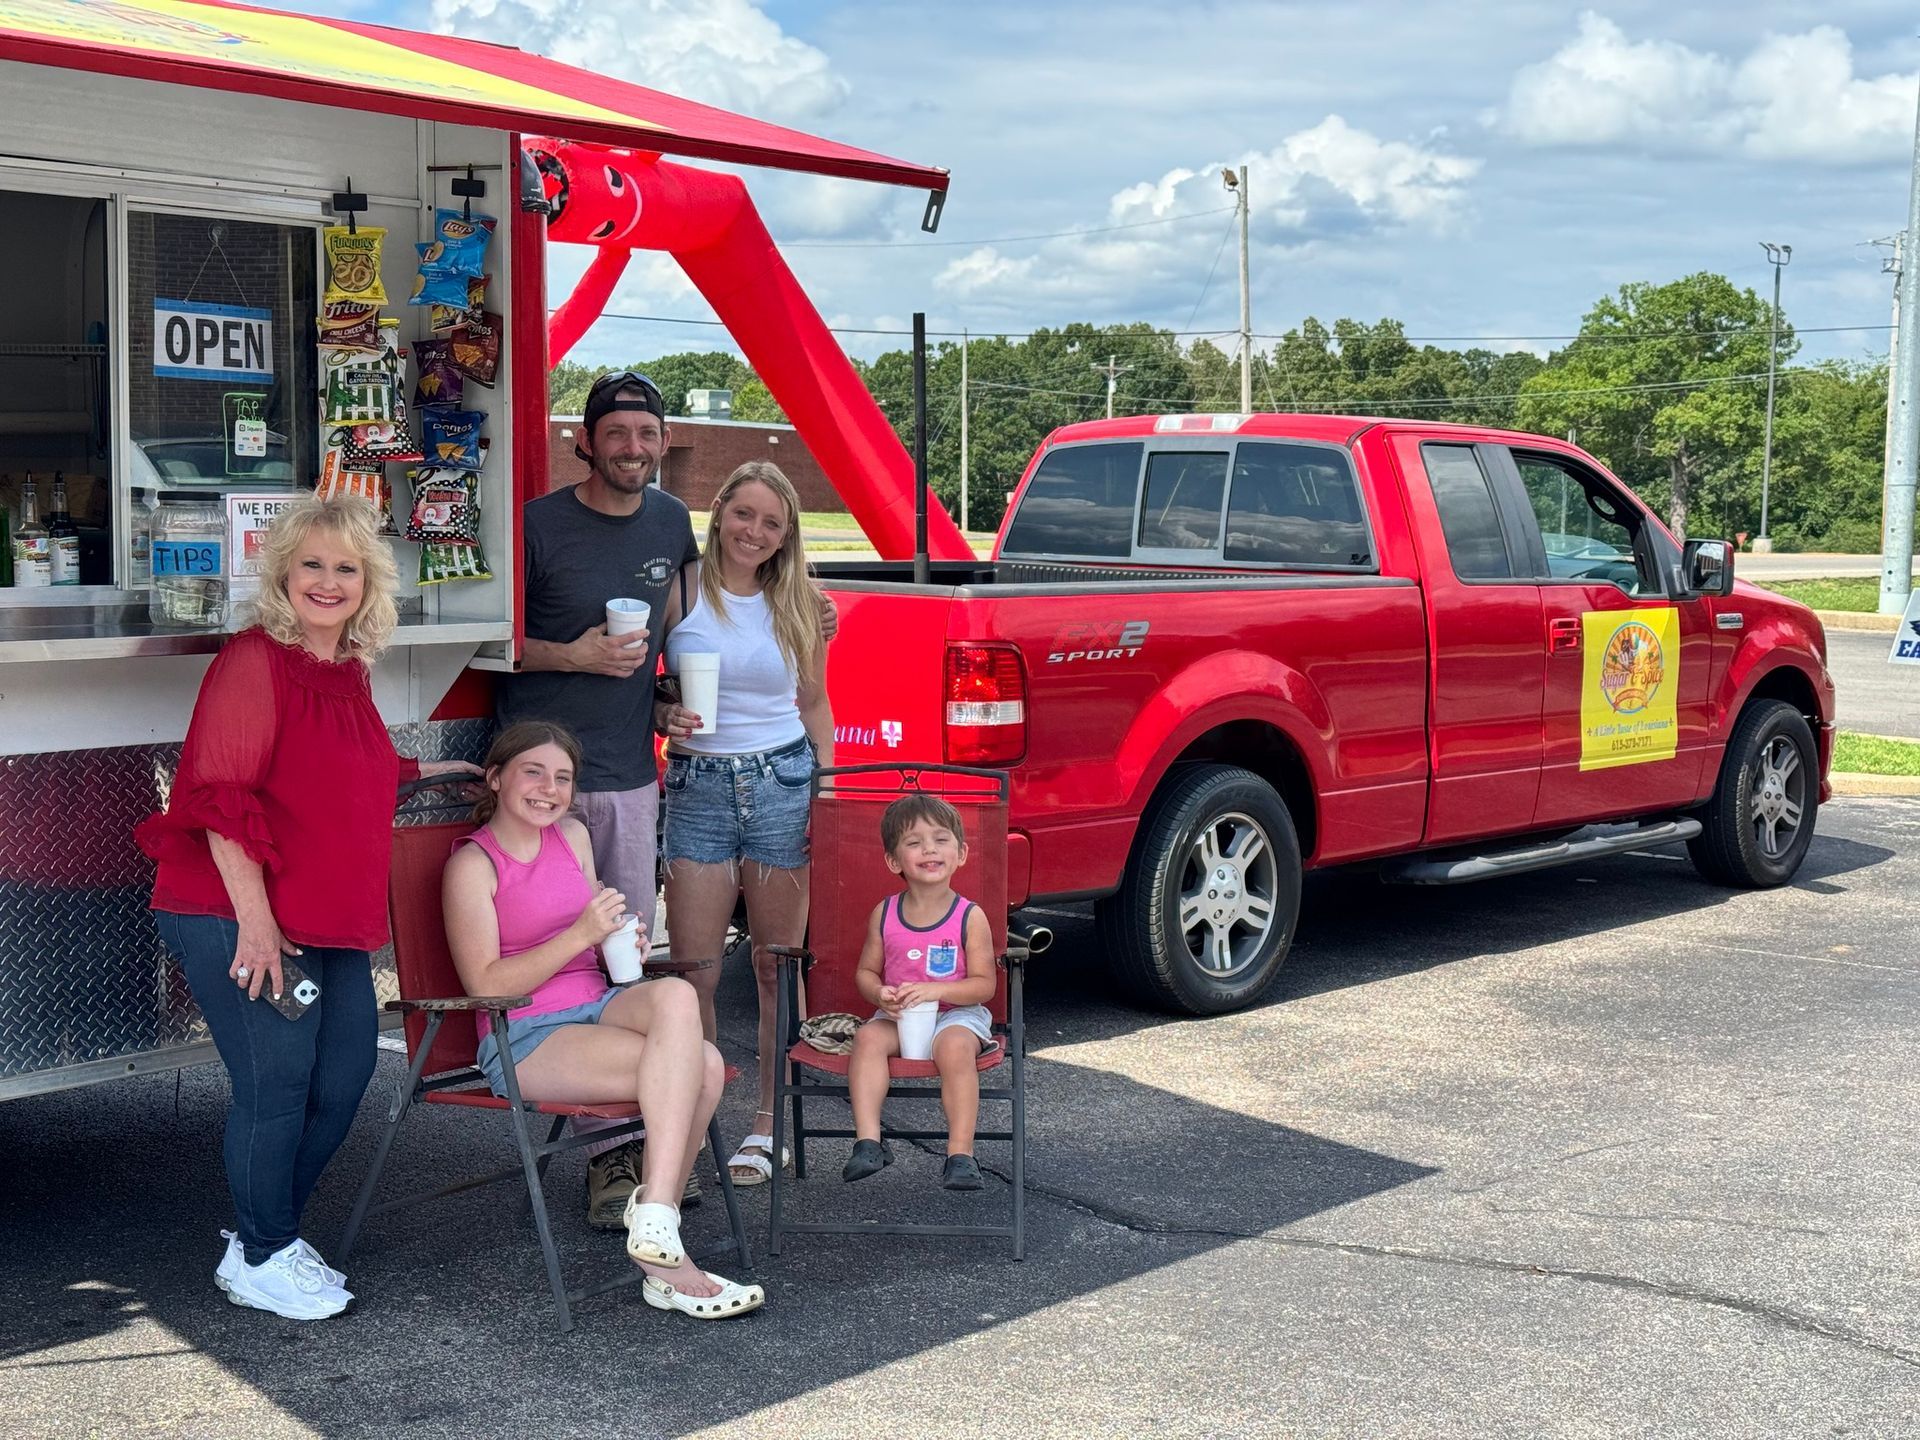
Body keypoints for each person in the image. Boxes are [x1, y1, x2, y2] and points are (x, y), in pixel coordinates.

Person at [502, 372, 835, 1225]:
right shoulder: (538, 525)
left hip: (649, 780)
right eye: (620, 433)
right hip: (556, 779)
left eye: (650, 434)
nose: (636, 448)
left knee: (700, 964)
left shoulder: (668, 531)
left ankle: (686, 1141)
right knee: (654, 969)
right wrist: (579, 661)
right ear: (588, 437)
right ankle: (652, 1133)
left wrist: (662, 706)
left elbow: (679, 678)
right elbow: (485, 640)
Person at [135, 495, 479, 1321]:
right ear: (284, 573)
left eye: (346, 568)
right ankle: (262, 1250)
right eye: (312, 565)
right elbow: (221, 798)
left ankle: (265, 1235)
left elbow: (349, 772)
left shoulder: (347, 667)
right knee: (278, 1086)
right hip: (238, 912)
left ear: (369, 583)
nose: (328, 582)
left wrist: (449, 775)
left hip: (322, 920)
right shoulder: (255, 659)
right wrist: (256, 923)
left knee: (346, 1074)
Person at [442, 722, 762, 1320]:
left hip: (595, 1001)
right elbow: (485, 985)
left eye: (562, 777)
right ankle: (664, 1260)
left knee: (674, 997)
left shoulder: (572, 837)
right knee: (706, 1066)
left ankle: (656, 1213)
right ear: (496, 778)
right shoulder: (473, 867)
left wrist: (620, 942)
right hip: (527, 1034)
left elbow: (596, 950)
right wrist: (580, 935)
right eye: (532, 772)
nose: (549, 788)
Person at [654, 461, 833, 1187]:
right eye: (744, 514)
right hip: (697, 784)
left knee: (772, 966)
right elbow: (646, 684)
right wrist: (663, 714)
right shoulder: (682, 589)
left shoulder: (801, 602)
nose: (754, 532)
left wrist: (826, 793)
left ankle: (767, 1125)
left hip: (783, 782)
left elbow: (815, 704)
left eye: (771, 522)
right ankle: (694, 1120)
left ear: (785, 535)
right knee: (693, 973)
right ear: (720, 509)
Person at [842, 794, 997, 1191]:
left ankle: (960, 1153)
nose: (929, 849)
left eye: (941, 840)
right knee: (868, 1037)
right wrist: (879, 994)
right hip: (900, 1015)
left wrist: (936, 989)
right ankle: (868, 1141)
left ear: (961, 853)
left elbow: (985, 984)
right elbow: (865, 971)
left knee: (954, 1048)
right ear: (894, 861)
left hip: (955, 1014)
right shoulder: (886, 912)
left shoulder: (969, 916)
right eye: (914, 842)